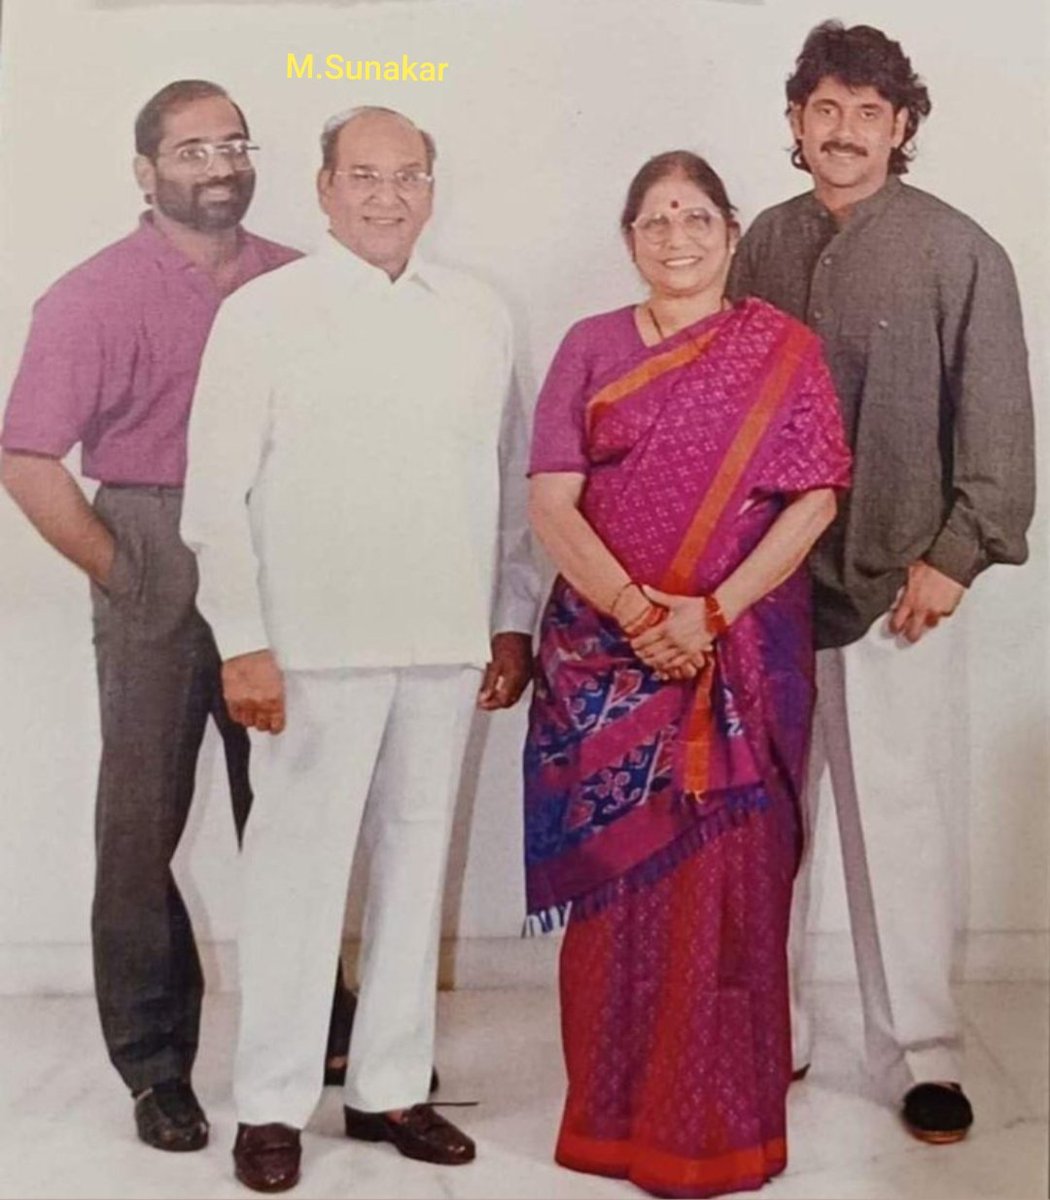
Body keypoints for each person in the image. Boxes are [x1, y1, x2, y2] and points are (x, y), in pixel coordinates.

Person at [180, 104, 539, 1193]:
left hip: (440, 642)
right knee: (295, 879)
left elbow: (509, 482)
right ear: (327, 188)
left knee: (414, 867)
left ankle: (388, 1086)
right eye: (365, 175)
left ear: (433, 187)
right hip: (311, 650)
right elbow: (214, 498)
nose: (388, 196)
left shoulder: (479, 314)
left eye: (409, 175)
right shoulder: (263, 313)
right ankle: (274, 1103)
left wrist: (510, 614)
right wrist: (243, 643)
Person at [0, 79, 358, 1152]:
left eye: (233, 144)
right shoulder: (92, 296)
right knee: (140, 821)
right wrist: (126, 573)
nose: (218, 164)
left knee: (294, 805)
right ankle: (157, 1066)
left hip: (276, 548)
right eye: (192, 148)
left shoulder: (302, 281)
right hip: (155, 543)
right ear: (146, 170)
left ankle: (326, 1024)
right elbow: (26, 458)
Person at [728, 21, 1035, 1144]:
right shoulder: (759, 243)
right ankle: (775, 1035)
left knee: (898, 824)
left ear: (902, 128)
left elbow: (1000, 431)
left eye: (868, 112)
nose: (844, 132)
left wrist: (953, 559)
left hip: (898, 589)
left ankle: (922, 1054)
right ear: (797, 124)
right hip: (765, 593)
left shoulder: (960, 251)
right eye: (824, 110)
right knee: (763, 822)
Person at [524, 150, 851, 1198]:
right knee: (621, 891)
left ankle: (720, 1129)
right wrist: (639, 614)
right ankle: (615, 1121)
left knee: (730, 895)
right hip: (606, 658)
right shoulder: (588, 346)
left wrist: (709, 612)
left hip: (741, 651)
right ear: (629, 237)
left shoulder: (783, 351)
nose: (677, 236)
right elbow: (550, 502)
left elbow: (815, 501)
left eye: (697, 215)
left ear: (730, 229)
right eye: (656, 219)